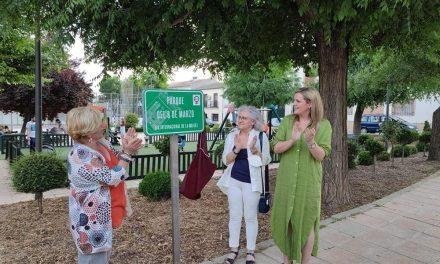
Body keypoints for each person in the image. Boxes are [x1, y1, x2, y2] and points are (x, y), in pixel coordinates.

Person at [66, 106, 142, 264]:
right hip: (89, 223)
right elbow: (112, 176)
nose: (104, 125)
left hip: (99, 219)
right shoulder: (80, 155)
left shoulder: (100, 144)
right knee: (93, 258)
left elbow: (117, 162)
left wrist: (126, 148)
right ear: (88, 131)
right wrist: (127, 153)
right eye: (99, 122)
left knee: (102, 256)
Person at [271, 87, 332, 264]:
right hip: (286, 180)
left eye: (298, 101)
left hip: (309, 181)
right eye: (294, 100)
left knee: (307, 221)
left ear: (310, 103)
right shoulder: (288, 121)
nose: (294, 104)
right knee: (287, 220)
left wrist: (311, 142)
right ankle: (286, 261)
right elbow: (275, 147)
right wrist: (293, 140)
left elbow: (322, 156)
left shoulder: (324, 125)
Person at [217, 105, 271, 264]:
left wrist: (256, 151)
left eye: (244, 118)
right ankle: (233, 250)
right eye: (239, 117)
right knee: (234, 216)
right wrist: (237, 148)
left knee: (250, 217)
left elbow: (266, 160)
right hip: (234, 181)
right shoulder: (232, 135)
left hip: (251, 183)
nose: (239, 120)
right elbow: (225, 161)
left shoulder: (260, 136)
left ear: (252, 121)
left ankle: (250, 252)